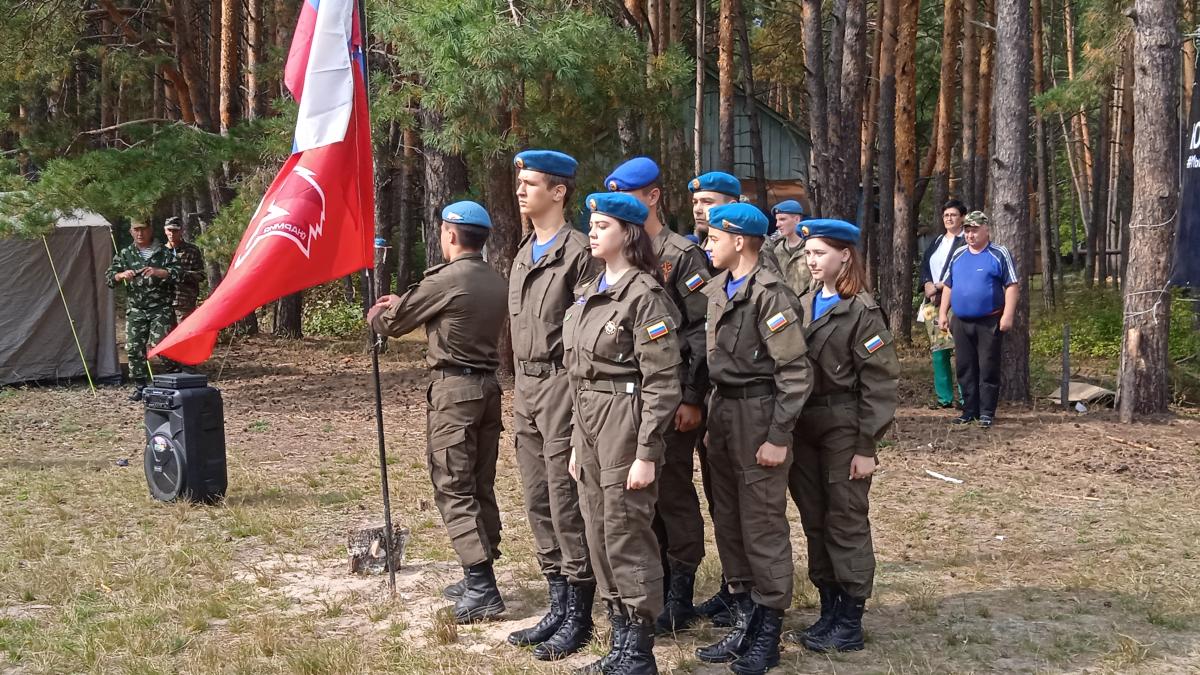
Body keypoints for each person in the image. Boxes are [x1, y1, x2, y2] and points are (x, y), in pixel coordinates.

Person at [367, 201, 508, 624]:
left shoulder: (446, 279)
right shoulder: (494, 279)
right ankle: (481, 570)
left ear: (450, 234)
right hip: (488, 389)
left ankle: (481, 586)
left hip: (455, 394)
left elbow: (394, 324)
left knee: (453, 486)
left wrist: (378, 315)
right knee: (480, 484)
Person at [566, 192, 682, 674]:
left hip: (625, 419)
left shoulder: (644, 295)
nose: (592, 232)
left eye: (603, 226)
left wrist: (647, 452)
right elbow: (578, 373)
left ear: (628, 234)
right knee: (597, 529)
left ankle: (639, 649)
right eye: (591, 224)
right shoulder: (590, 290)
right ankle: (619, 638)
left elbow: (662, 381)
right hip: (590, 420)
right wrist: (577, 441)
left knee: (626, 531)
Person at [695, 202, 811, 674]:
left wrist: (778, 435)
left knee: (761, 523)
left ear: (739, 241)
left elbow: (794, 373)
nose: (708, 246)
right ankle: (744, 616)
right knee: (728, 518)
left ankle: (768, 630)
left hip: (758, 413)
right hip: (723, 411)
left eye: (714, 238)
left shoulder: (770, 294)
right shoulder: (718, 288)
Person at [605, 157, 711, 635]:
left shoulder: (680, 254)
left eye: (627, 197)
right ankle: (653, 583)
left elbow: (702, 329)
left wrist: (691, 396)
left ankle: (680, 590)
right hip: (629, 400)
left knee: (672, 492)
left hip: (672, 394)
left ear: (652, 197)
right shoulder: (618, 253)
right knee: (638, 496)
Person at [785, 219, 899, 654]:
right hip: (804, 426)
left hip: (843, 425)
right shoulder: (803, 302)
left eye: (820, 253)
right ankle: (829, 607)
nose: (812, 261)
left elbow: (880, 383)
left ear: (845, 255)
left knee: (845, 519)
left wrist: (866, 445)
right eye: (808, 254)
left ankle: (850, 618)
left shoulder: (861, 311)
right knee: (815, 519)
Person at [504, 149, 599, 660]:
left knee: (565, 497)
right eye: (520, 182)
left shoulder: (579, 253)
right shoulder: (525, 250)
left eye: (532, 183)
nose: (521, 190)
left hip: (562, 384)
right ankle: (557, 601)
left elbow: (586, 334)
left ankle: (580, 612)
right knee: (537, 496)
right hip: (525, 386)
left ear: (559, 192)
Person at [937, 210, 1019, 429]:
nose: (970, 235)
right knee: (965, 366)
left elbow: (1012, 285)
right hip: (961, 321)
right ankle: (969, 410)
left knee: (988, 366)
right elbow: (948, 285)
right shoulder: (958, 254)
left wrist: (1008, 315)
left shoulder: (998, 254)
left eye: (974, 230)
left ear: (986, 230)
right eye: (967, 230)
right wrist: (943, 313)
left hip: (989, 321)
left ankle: (986, 412)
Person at [105, 219, 181, 401]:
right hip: (136, 309)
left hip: (160, 308)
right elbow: (109, 278)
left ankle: (176, 378)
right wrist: (121, 275)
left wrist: (160, 272)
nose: (140, 233)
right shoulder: (126, 254)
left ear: (150, 230)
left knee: (162, 345)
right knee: (133, 348)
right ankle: (140, 386)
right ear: (131, 231)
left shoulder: (164, 252)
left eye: (143, 229)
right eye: (136, 230)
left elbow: (179, 273)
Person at [918, 200, 967, 409]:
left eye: (953, 215)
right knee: (939, 350)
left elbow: (962, 270)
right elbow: (925, 264)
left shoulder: (966, 242)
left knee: (962, 350)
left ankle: (966, 397)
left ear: (962, 217)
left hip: (956, 301)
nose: (949, 218)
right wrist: (927, 283)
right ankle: (944, 398)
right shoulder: (937, 240)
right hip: (933, 302)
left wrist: (940, 285)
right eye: (946, 215)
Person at [164, 217, 207, 323]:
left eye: (175, 230)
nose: (172, 233)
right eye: (169, 230)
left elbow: (201, 275)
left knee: (185, 332)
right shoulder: (159, 252)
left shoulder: (192, 250)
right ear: (165, 231)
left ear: (181, 231)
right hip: (163, 305)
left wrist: (181, 274)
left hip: (185, 303)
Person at [768, 199, 814, 297]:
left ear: (797, 219)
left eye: (782, 219)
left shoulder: (811, 248)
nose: (777, 224)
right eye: (777, 220)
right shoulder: (777, 249)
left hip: (807, 302)